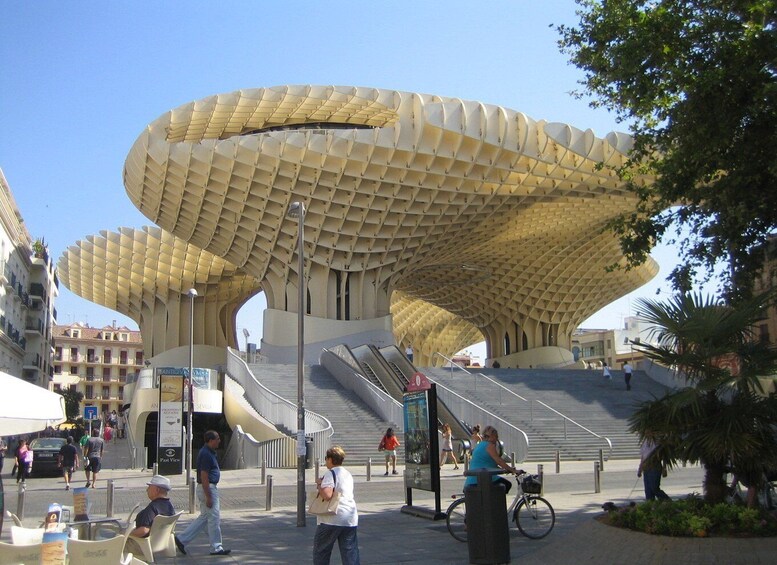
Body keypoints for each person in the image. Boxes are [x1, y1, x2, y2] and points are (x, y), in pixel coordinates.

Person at [175, 430, 231, 556]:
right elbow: (204, 475)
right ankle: (216, 547)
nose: (219, 440)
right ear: (210, 440)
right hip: (208, 487)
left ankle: (182, 539)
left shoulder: (208, 452)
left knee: (205, 517)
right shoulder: (206, 454)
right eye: (217, 438)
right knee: (214, 518)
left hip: (207, 487)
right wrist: (208, 496)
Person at [313, 446, 360, 565]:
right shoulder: (347, 474)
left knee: (321, 551)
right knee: (350, 552)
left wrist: (319, 485)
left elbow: (327, 495)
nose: (325, 461)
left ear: (330, 459)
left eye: (326, 458)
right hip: (350, 517)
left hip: (332, 518)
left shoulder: (330, 473)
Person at [464, 425, 522, 494]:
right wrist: (513, 470)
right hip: (482, 479)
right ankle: (497, 504)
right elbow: (499, 460)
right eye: (496, 437)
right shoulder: (490, 446)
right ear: (491, 436)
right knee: (507, 485)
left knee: (501, 487)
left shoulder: (480, 445)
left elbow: (487, 463)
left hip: (474, 479)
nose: (497, 439)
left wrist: (507, 469)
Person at [127, 475, 175, 541]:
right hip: (162, 541)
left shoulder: (152, 508)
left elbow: (143, 531)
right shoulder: (169, 506)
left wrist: (127, 534)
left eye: (149, 487)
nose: (147, 490)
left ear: (157, 490)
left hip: (143, 543)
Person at [637, 435, 669, 501]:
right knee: (648, 490)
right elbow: (643, 456)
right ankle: (650, 505)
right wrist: (640, 468)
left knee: (654, 488)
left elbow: (664, 456)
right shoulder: (644, 442)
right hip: (646, 468)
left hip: (655, 467)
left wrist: (664, 468)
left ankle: (667, 501)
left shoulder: (657, 442)